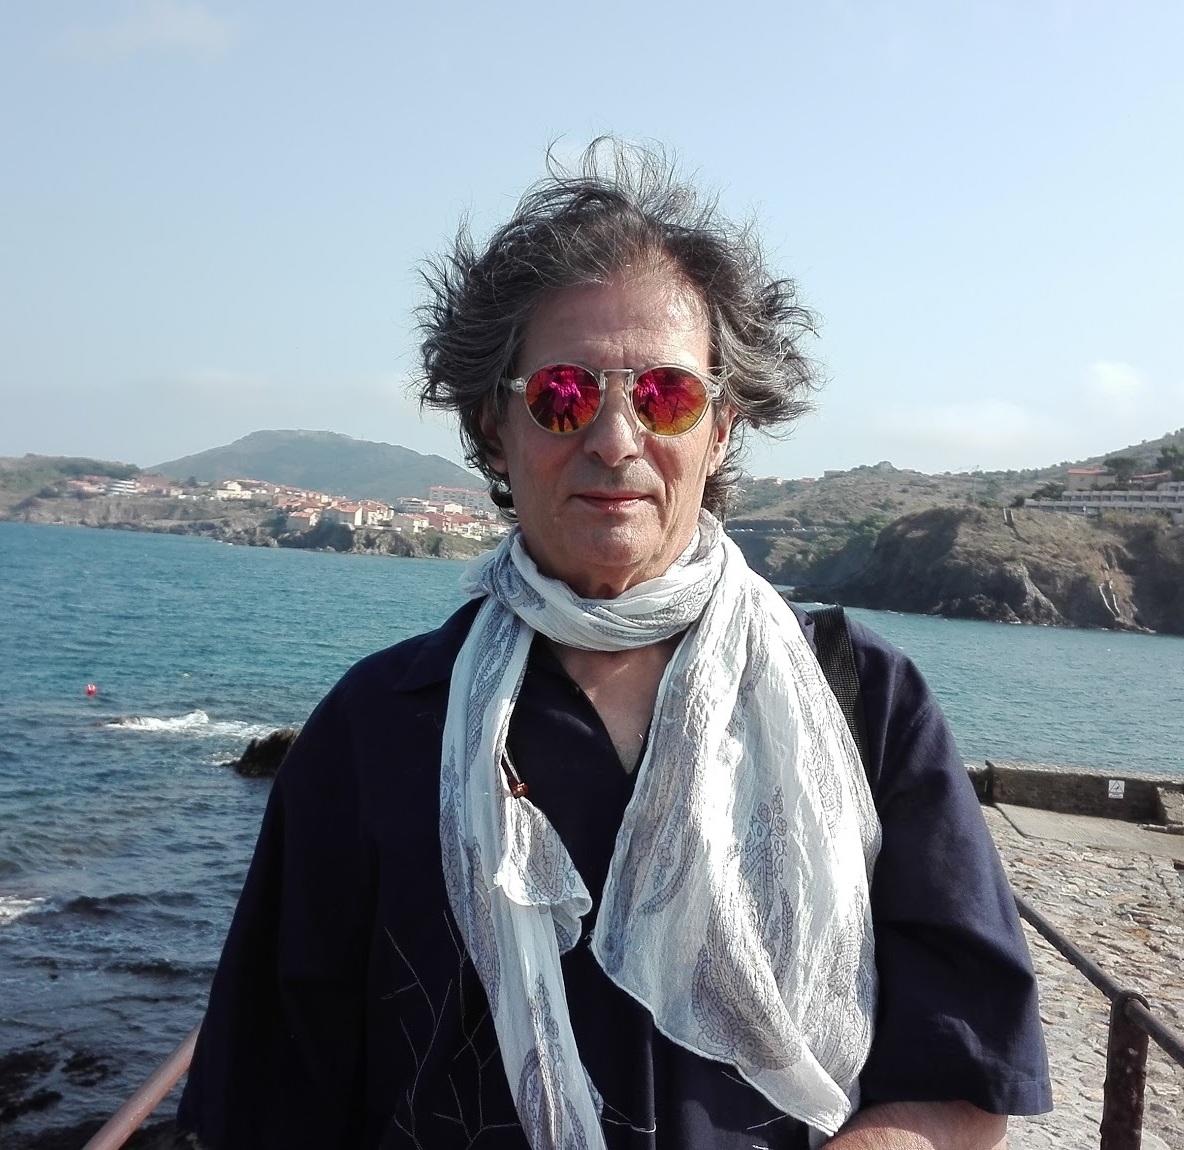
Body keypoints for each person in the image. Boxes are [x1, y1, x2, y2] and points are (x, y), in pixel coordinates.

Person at [177, 141, 1051, 1149]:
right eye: (562, 393)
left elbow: (961, 1082)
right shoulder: (374, 730)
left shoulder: (860, 700)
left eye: (666, 395)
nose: (614, 438)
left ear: (720, 429)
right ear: (493, 426)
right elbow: (275, 1100)